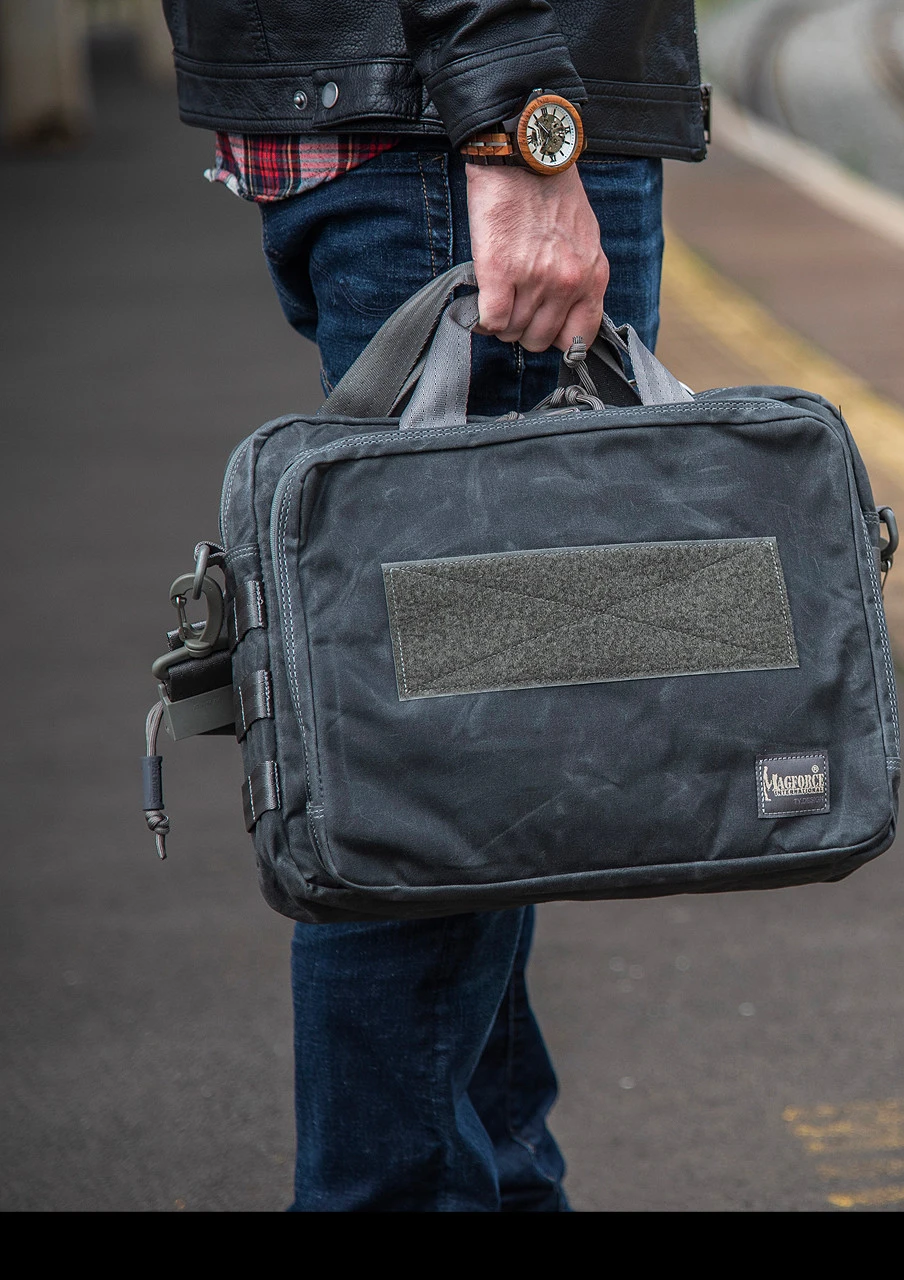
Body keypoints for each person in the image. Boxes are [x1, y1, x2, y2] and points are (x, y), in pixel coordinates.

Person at [161, 0, 707, 1211]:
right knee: (429, 787)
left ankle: (505, 1185)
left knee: (473, 772)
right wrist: (520, 130)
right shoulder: (498, 133)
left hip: (418, 119)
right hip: (456, 133)